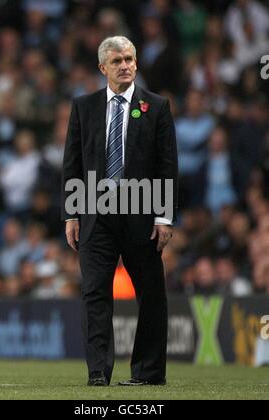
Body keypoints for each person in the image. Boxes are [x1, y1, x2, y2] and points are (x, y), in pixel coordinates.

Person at [62, 36, 178, 386]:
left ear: (137, 63)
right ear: (103, 68)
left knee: (151, 294)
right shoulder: (83, 107)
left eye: (129, 58)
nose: (125, 65)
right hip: (96, 214)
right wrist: (71, 214)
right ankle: (98, 371)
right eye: (117, 61)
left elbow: (167, 165)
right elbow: (72, 163)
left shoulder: (156, 106)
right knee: (95, 292)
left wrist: (164, 216)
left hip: (142, 213)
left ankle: (148, 373)